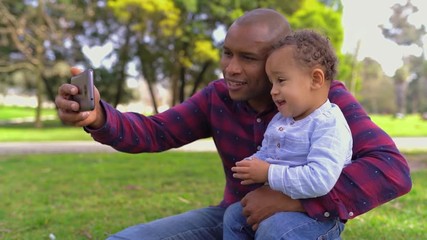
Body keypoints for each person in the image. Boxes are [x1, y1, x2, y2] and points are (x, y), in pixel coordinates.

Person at [55, 8, 412, 240]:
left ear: (278, 61)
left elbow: (392, 170)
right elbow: (155, 132)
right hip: (235, 217)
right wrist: (99, 115)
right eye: (227, 53)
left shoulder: (323, 101)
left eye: (248, 58)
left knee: (276, 230)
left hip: (300, 223)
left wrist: (298, 203)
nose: (231, 68)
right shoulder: (218, 97)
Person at [223, 29, 353, 239]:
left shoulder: (329, 124)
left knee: (274, 230)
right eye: (271, 82)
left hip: (317, 218)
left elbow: (319, 180)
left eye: (281, 80)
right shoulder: (281, 120)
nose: (273, 90)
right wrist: (252, 163)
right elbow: (269, 153)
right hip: (279, 203)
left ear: (316, 79)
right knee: (234, 217)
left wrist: (268, 173)